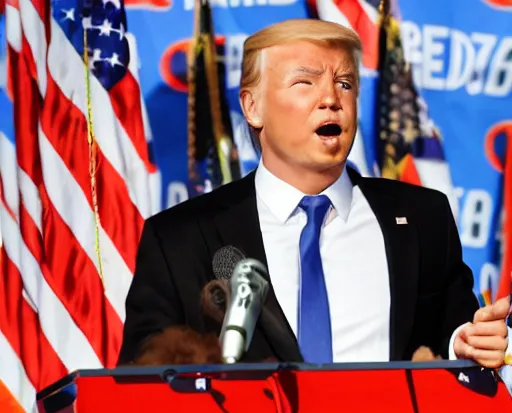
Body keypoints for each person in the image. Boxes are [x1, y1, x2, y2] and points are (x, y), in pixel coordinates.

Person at [118, 19, 509, 368]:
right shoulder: (180, 238)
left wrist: (465, 344)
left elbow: (451, 332)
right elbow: (144, 381)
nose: (331, 99)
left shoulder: (422, 218)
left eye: (345, 83)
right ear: (252, 108)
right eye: (305, 82)